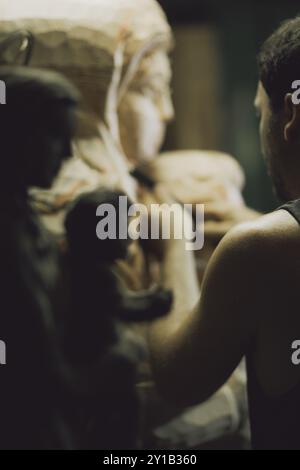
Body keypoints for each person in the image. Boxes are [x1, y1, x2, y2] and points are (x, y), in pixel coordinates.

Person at [148, 16, 300, 450]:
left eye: (260, 112)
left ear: (290, 113)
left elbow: (178, 379)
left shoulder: (260, 249)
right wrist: (258, 222)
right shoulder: (271, 243)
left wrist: (173, 248)